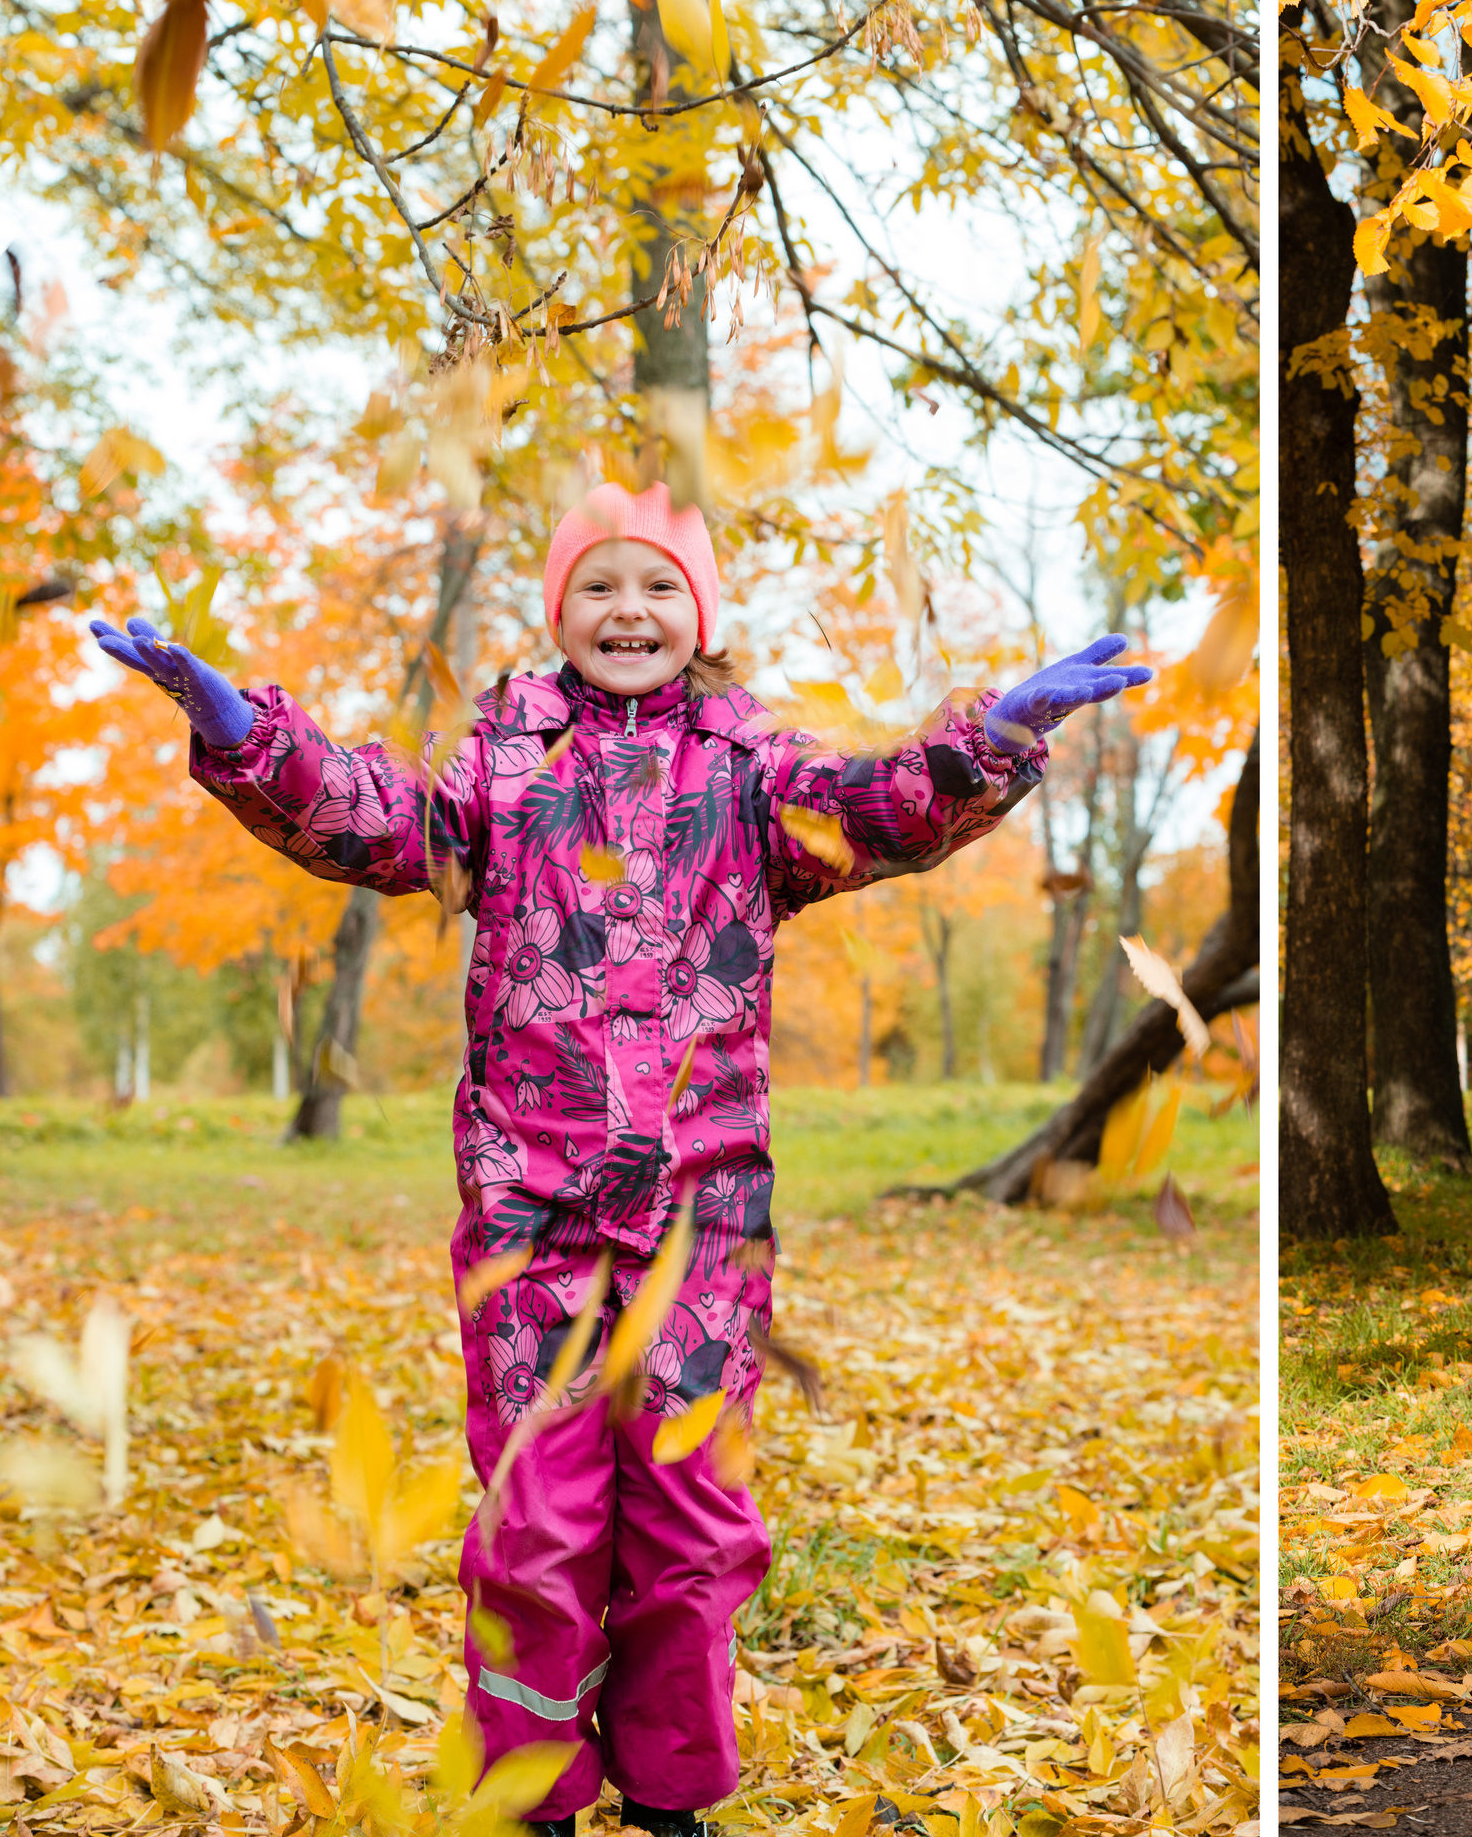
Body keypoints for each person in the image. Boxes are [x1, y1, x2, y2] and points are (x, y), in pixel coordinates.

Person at [89, 481, 1150, 1837]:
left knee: (695, 1528)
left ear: (697, 615)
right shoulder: (502, 757)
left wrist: (993, 734)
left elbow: (880, 804)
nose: (629, 610)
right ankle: (532, 1793)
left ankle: (672, 1797)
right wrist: (245, 735)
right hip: (533, 1218)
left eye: (658, 586)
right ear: (559, 610)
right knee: (537, 1526)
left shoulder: (752, 763)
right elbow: (372, 817)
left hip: (701, 1221)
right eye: (599, 586)